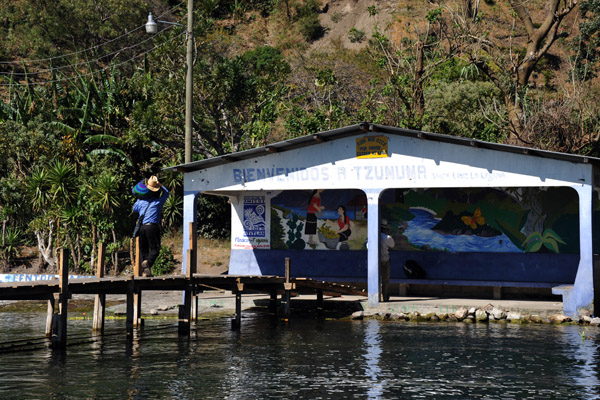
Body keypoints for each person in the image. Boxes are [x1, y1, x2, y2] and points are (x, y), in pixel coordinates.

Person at [132, 176, 169, 277]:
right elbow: (167, 193)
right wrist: (161, 185)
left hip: (142, 228)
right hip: (152, 227)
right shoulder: (158, 202)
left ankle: (146, 272)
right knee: (155, 248)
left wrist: (140, 197)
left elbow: (134, 208)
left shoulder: (140, 202)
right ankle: (148, 263)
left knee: (144, 249)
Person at [379, 219, 395, 302]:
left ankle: (376, 296)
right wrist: (389, 233)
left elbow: (368, 246)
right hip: (385, 260)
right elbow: (392, 245)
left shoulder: (373, 237)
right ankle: (384, 296)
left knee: (377, 279)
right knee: (385, 279)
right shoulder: (387, 237)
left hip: (375, 261)